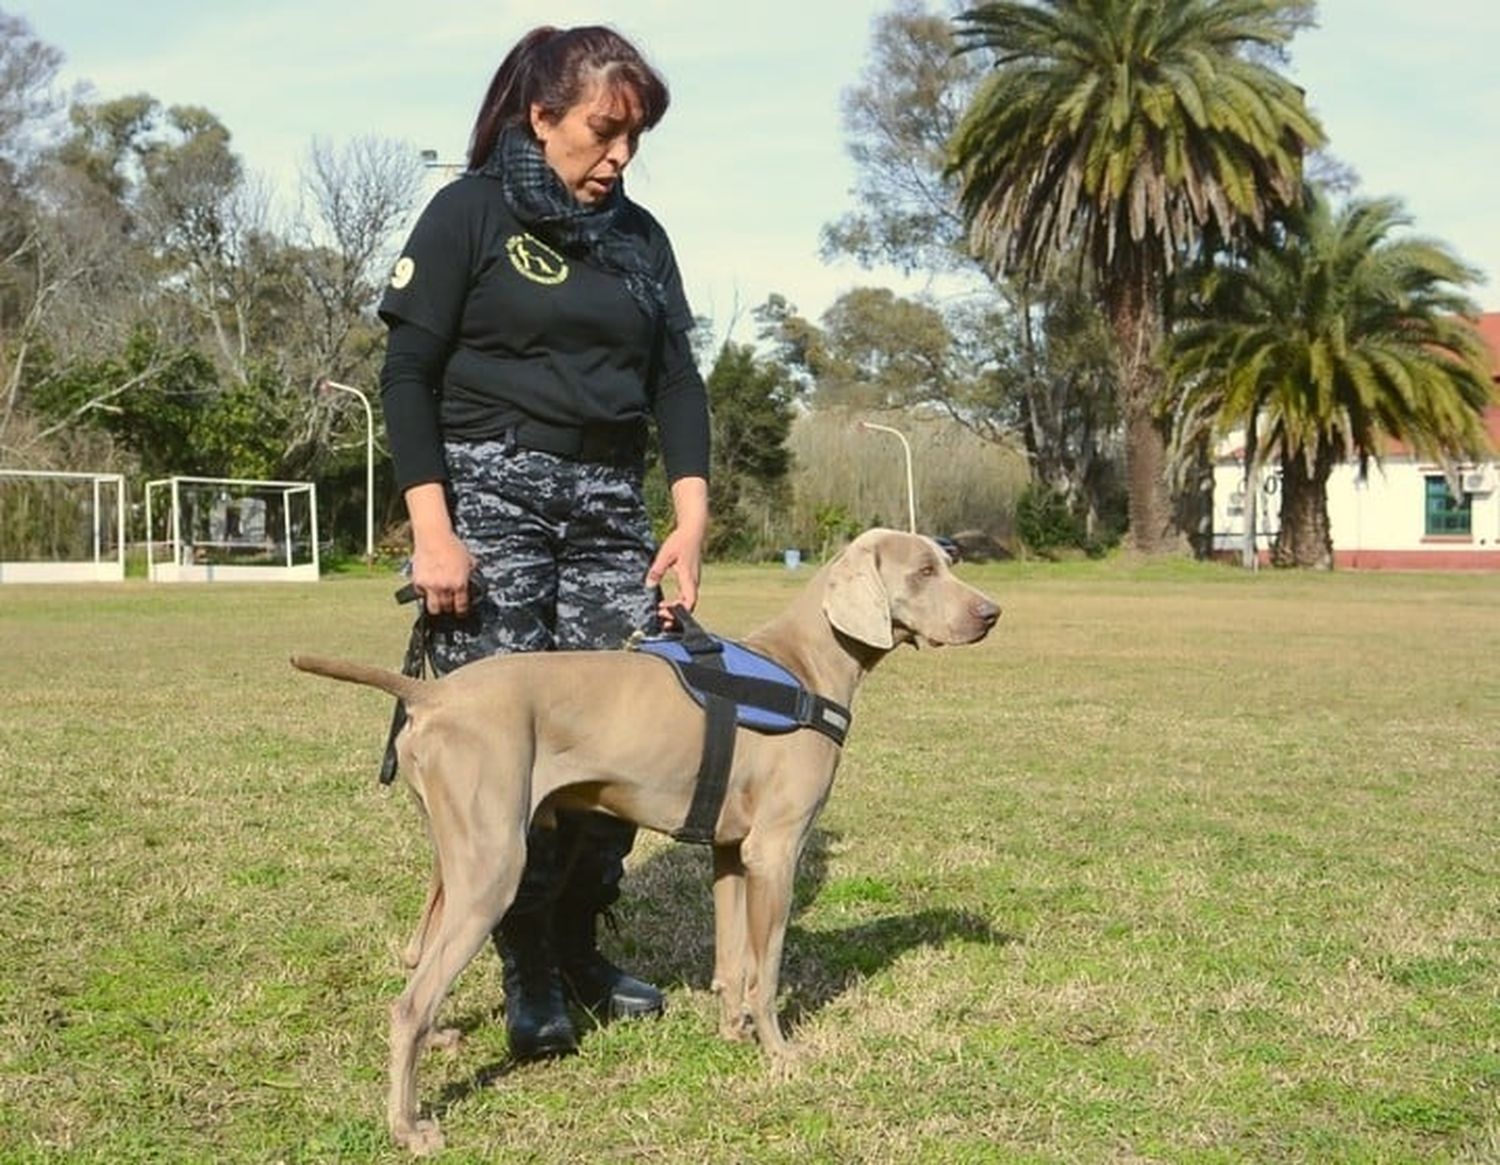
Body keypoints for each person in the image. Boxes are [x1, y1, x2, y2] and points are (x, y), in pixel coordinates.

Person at [376, 24, 710, 1063]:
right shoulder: (467, 211)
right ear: (542, 116)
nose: (619, 157)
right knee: (509, 759)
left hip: (610, 505)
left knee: (635, 731)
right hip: (490, 498)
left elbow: (676, 385)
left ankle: (576, 942)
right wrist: (434, 529)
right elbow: (409, 377)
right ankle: (526, 969)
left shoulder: (642, 240)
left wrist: (691, 519)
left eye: (635, 140)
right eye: (604, 133)